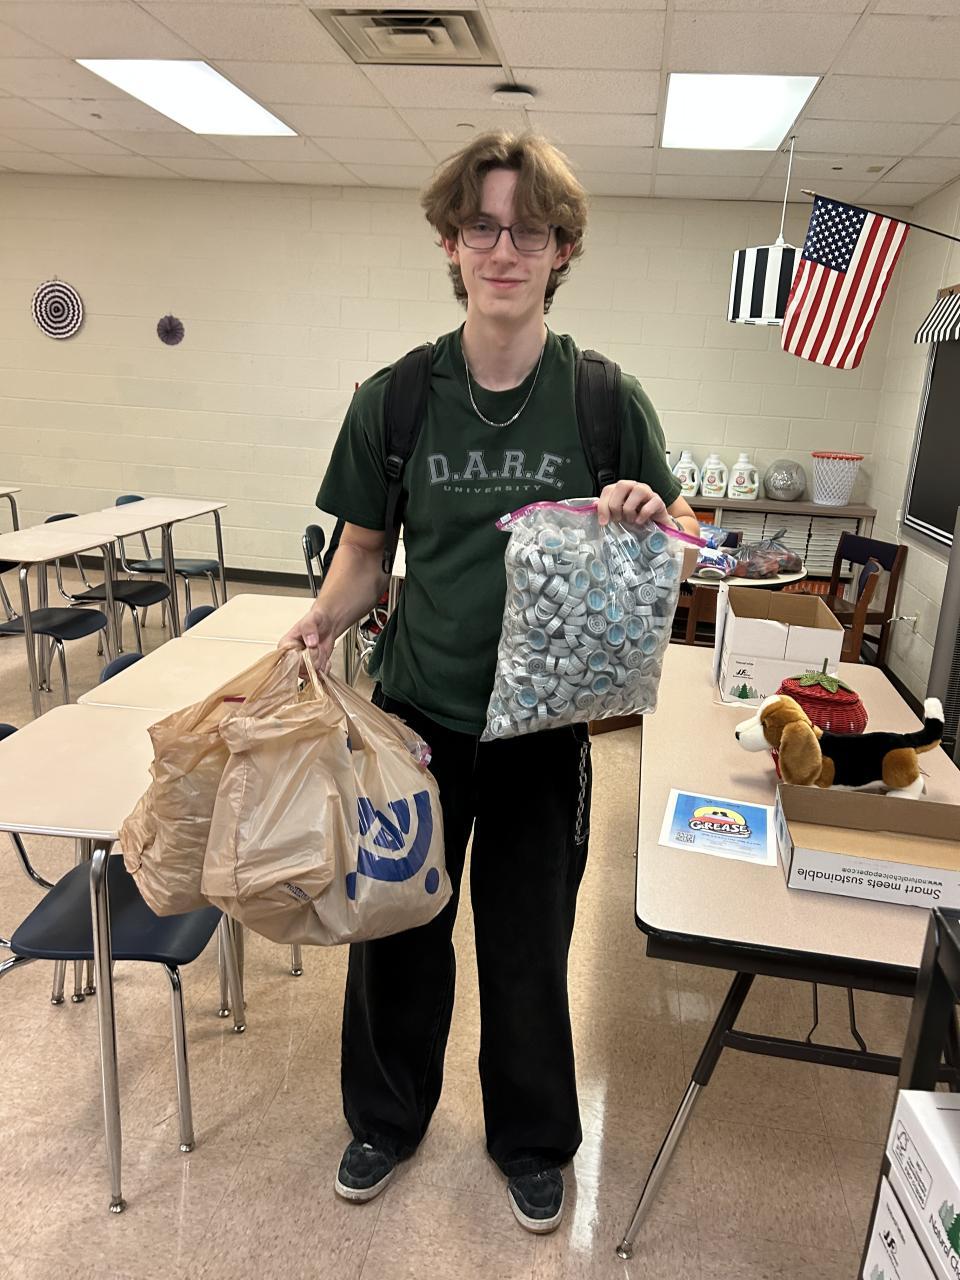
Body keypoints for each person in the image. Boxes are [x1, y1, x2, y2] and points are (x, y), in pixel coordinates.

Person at [282, 131, 699, 1234]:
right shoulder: (397, 398)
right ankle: (385, 1119)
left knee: (528, 947)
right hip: (415, 721)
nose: (504, 249)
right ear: (450, 243)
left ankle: (532, 1140)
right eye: (482, 226)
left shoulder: (604, 399)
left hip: (545, 732)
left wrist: (649, 515)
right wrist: (321, 619)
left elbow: (682, 532)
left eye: (529, 230)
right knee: (398, 935)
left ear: (563, 251)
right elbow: (363, 553)